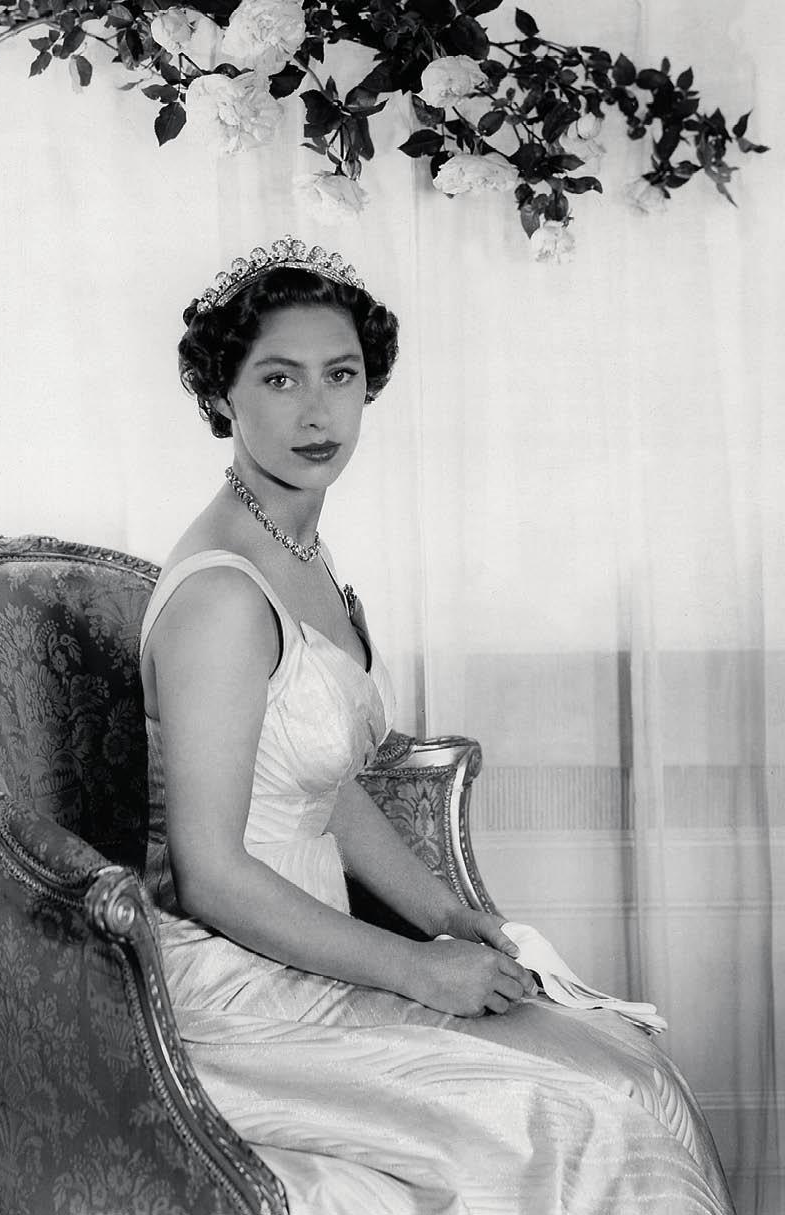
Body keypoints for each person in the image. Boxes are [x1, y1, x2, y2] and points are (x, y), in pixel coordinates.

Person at [138, 236, 734, 1215]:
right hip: (239, 993)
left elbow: (320, 791)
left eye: (341, 375)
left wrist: (447, 915)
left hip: (316, 954)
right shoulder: (222, 597)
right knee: (587, 1118)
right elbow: (208, 872)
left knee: (628, 1069)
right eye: (279, 378)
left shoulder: (302, 553)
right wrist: (417, 967)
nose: (317, 411)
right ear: (222, 394)